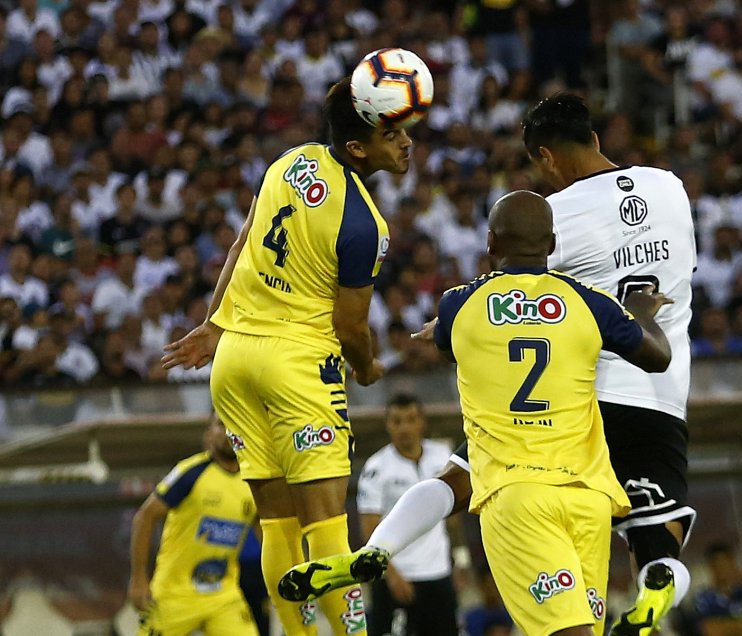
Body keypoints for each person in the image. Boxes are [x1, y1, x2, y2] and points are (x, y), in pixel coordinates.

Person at [277, 94, 698, 636]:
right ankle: (654, 587)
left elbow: (517, 286)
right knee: (658, 533)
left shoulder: (554, 215)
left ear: (545, 157)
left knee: (458, 478)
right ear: (594, 138)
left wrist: (449, 321)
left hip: (571, 407)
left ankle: (379, 549)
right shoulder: (670, 189)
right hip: (660, 400)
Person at [160, 76, 413, 636]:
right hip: (297, 365)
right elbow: (350, 327)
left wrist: (213, 323)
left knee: (278, 524)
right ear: (357, 148)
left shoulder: (289, 161)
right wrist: (367, 367)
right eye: (393, 135)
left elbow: (241, 242)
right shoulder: (364, 224)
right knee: (326, 526)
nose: (406, 143)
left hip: (234, 360)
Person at [127, 414, 258, 636]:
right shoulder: (191, 472)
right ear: (209, 434)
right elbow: (145, 517)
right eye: (221, 425)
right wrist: (139, 578)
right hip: (174, 595)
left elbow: (265, 526)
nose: (228, 431)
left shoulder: (253, 478)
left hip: (223, 596)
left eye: (235, 424)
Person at [356, 393, 459, 635]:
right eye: (397, 421)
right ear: (388, 425)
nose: (404, 428)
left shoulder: (443, 457)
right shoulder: (376, 468)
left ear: (422, 421)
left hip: (438, 572)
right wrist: (392, 576)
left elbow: (453, 518)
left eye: (411, 419)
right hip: (398, 577)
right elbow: (369, 528)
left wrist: (460, 560)